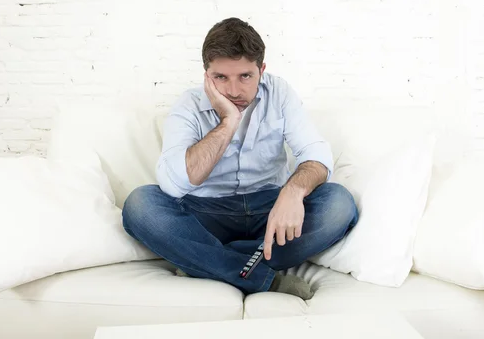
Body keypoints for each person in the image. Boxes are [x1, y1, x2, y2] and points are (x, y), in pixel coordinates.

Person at [122, 17, 358, 300]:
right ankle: (259, 277)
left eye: (245, 76)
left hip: (270, 210)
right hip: (206, 212)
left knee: (339, 203)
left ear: (262, 70)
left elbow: (317, 155)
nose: (233, 91)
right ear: (206, 75)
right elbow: (174, 185)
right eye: (221, 77)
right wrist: (228, 120)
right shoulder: (189, 105)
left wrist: (293, 192)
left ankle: (204, 261)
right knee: (140, 205)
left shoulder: (279, 93)